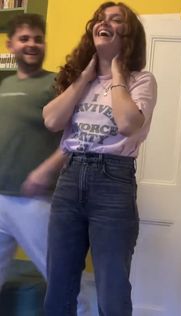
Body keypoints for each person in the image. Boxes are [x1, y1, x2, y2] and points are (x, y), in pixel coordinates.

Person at [43, 2, 157, 316]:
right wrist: (86, 77)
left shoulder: (141, 81)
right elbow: (52, 120)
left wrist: (117, 70)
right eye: (99, 18)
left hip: (113, 182)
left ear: (128, 33)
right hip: (70, 179)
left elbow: (127, 123)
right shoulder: (81, 79)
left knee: (112, 286)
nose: (102, 22)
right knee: (59, 283)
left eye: (115, 19)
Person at [0, 13, 91, 316]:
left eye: (38, 38)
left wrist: (45, 169)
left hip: (35, 201)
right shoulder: (5, 84)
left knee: (60, 276)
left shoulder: (56, 84)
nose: (32, 44)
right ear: (10, 44)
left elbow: (80, 134)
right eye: (24, 38)